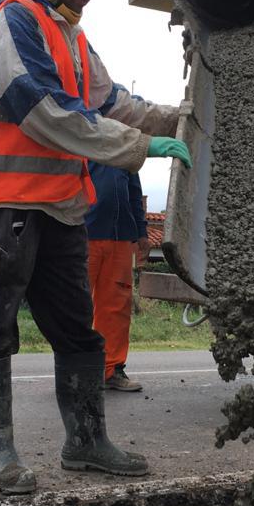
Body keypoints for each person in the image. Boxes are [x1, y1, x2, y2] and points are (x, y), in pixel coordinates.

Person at [0, 0, 192, 494]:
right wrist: (140, 147)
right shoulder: (14, 23)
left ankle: (85, 441)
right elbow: (46, 112)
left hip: (63, 209)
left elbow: (114, 103)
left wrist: (183, 118)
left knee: (81, 334)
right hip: (7, 204)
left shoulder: (71, 37)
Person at [86, 162, 149, 392]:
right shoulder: (81, 136)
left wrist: (141, 232)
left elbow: (134, 192)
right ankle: (76, 370)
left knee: (117, 307)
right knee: (76, 306)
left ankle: (111, 370)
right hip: (83, 233)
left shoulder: (125, 148)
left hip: (121, 237)